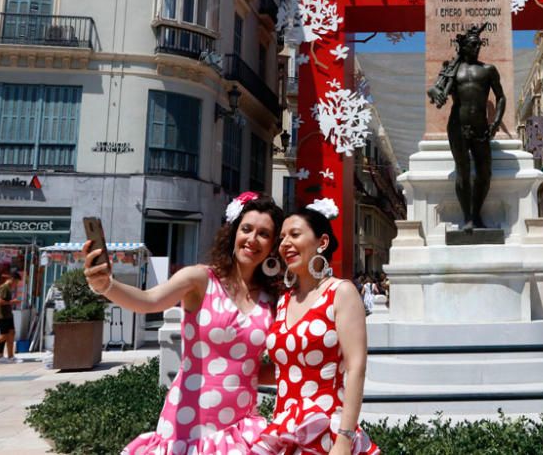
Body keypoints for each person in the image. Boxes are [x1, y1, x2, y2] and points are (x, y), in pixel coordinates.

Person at [85, 192, 284, 454]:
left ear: (272, 245)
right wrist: (106, 286)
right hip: (189, 422)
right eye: (246, 229)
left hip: (240, 426)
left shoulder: (273, 298)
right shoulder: (200, 278)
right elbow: (148, 301)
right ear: (234, 232)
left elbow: (261, 366)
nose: (252, 239)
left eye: (264, 234)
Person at [253, 206, 379, 455]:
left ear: (322, 242)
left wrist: (344, 438)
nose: (285, 243)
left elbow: (356, 367)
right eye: (281, 238)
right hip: (284, 429)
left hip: (327, 431)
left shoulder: (340, 292)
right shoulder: (283, 300)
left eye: (295, 234)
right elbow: (286, 369)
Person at [428, 24, 505, 234]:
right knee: (462, 172)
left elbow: (501, 97)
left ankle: (477, 213)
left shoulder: (488, 70)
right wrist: (437, 94)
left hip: (481, 127)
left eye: (478, 44)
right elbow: (433, 88)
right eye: (472, 45)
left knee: (484, 173)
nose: (477, 48)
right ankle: (468, 218)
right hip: (457, 126)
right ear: (463, 46)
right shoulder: (452, 70)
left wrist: (496, 122)